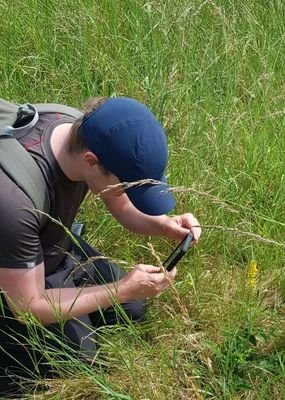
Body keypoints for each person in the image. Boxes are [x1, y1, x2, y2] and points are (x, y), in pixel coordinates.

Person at [0, 96, 201, 397]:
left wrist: (165, 224)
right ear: (91, 161)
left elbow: (121, 206)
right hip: (15, 284)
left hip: (49, 248)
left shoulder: (79, 132)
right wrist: (123, 288)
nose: (129, 194)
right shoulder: (15, 203)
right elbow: (28, 307)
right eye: (128, 185)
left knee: (132, 308)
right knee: (79, 363)